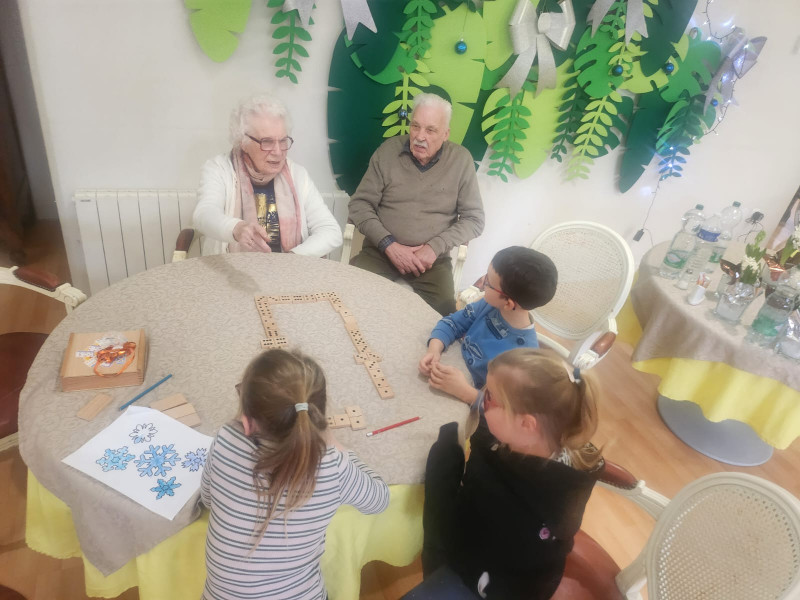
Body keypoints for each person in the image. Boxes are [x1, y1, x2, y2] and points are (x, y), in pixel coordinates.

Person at [200, 349, 389, 600]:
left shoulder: (226, 439)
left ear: (247, 423)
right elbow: (379, 501)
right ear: (316, 417)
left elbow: (208, 500)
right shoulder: (334, 467)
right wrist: (334, 444)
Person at [419, 348, 603, 599]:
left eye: (490, 396)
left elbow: (448, 532)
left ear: (526, 425)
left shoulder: (524, 505)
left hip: (489, 582)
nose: (481, 396)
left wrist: (444, 460)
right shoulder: (542, 442)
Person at [347, 93, 485, 316]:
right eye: (415, 126)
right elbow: (359, 205)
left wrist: (434, 248)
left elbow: (475, 220)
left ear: (445, 134)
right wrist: (389, 245)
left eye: (430, 130)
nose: (420, 136)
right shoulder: (388, 152)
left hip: (431, 262)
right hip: (380, 252)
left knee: (443, 320)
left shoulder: (461, 161)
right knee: (351, 304)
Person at [193, 94, 343, 257]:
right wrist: (236, 228)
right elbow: (204, 214)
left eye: (283, 140)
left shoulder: (298, 175)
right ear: (243, 141)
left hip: (289, 269)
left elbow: (330, 230)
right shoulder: (219, 169)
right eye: (267, 142)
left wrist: (293, 258)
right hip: (233, 270)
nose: (278, 152)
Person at [418, 246, 558, 405]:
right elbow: (453, 323)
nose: (482, 282)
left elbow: (504, 411)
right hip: (453, 371)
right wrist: (434, 349)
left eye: (488, 282)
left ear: (508, 303)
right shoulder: (489, 304)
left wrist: (465, 392)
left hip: (471, 404)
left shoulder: (522, 358)